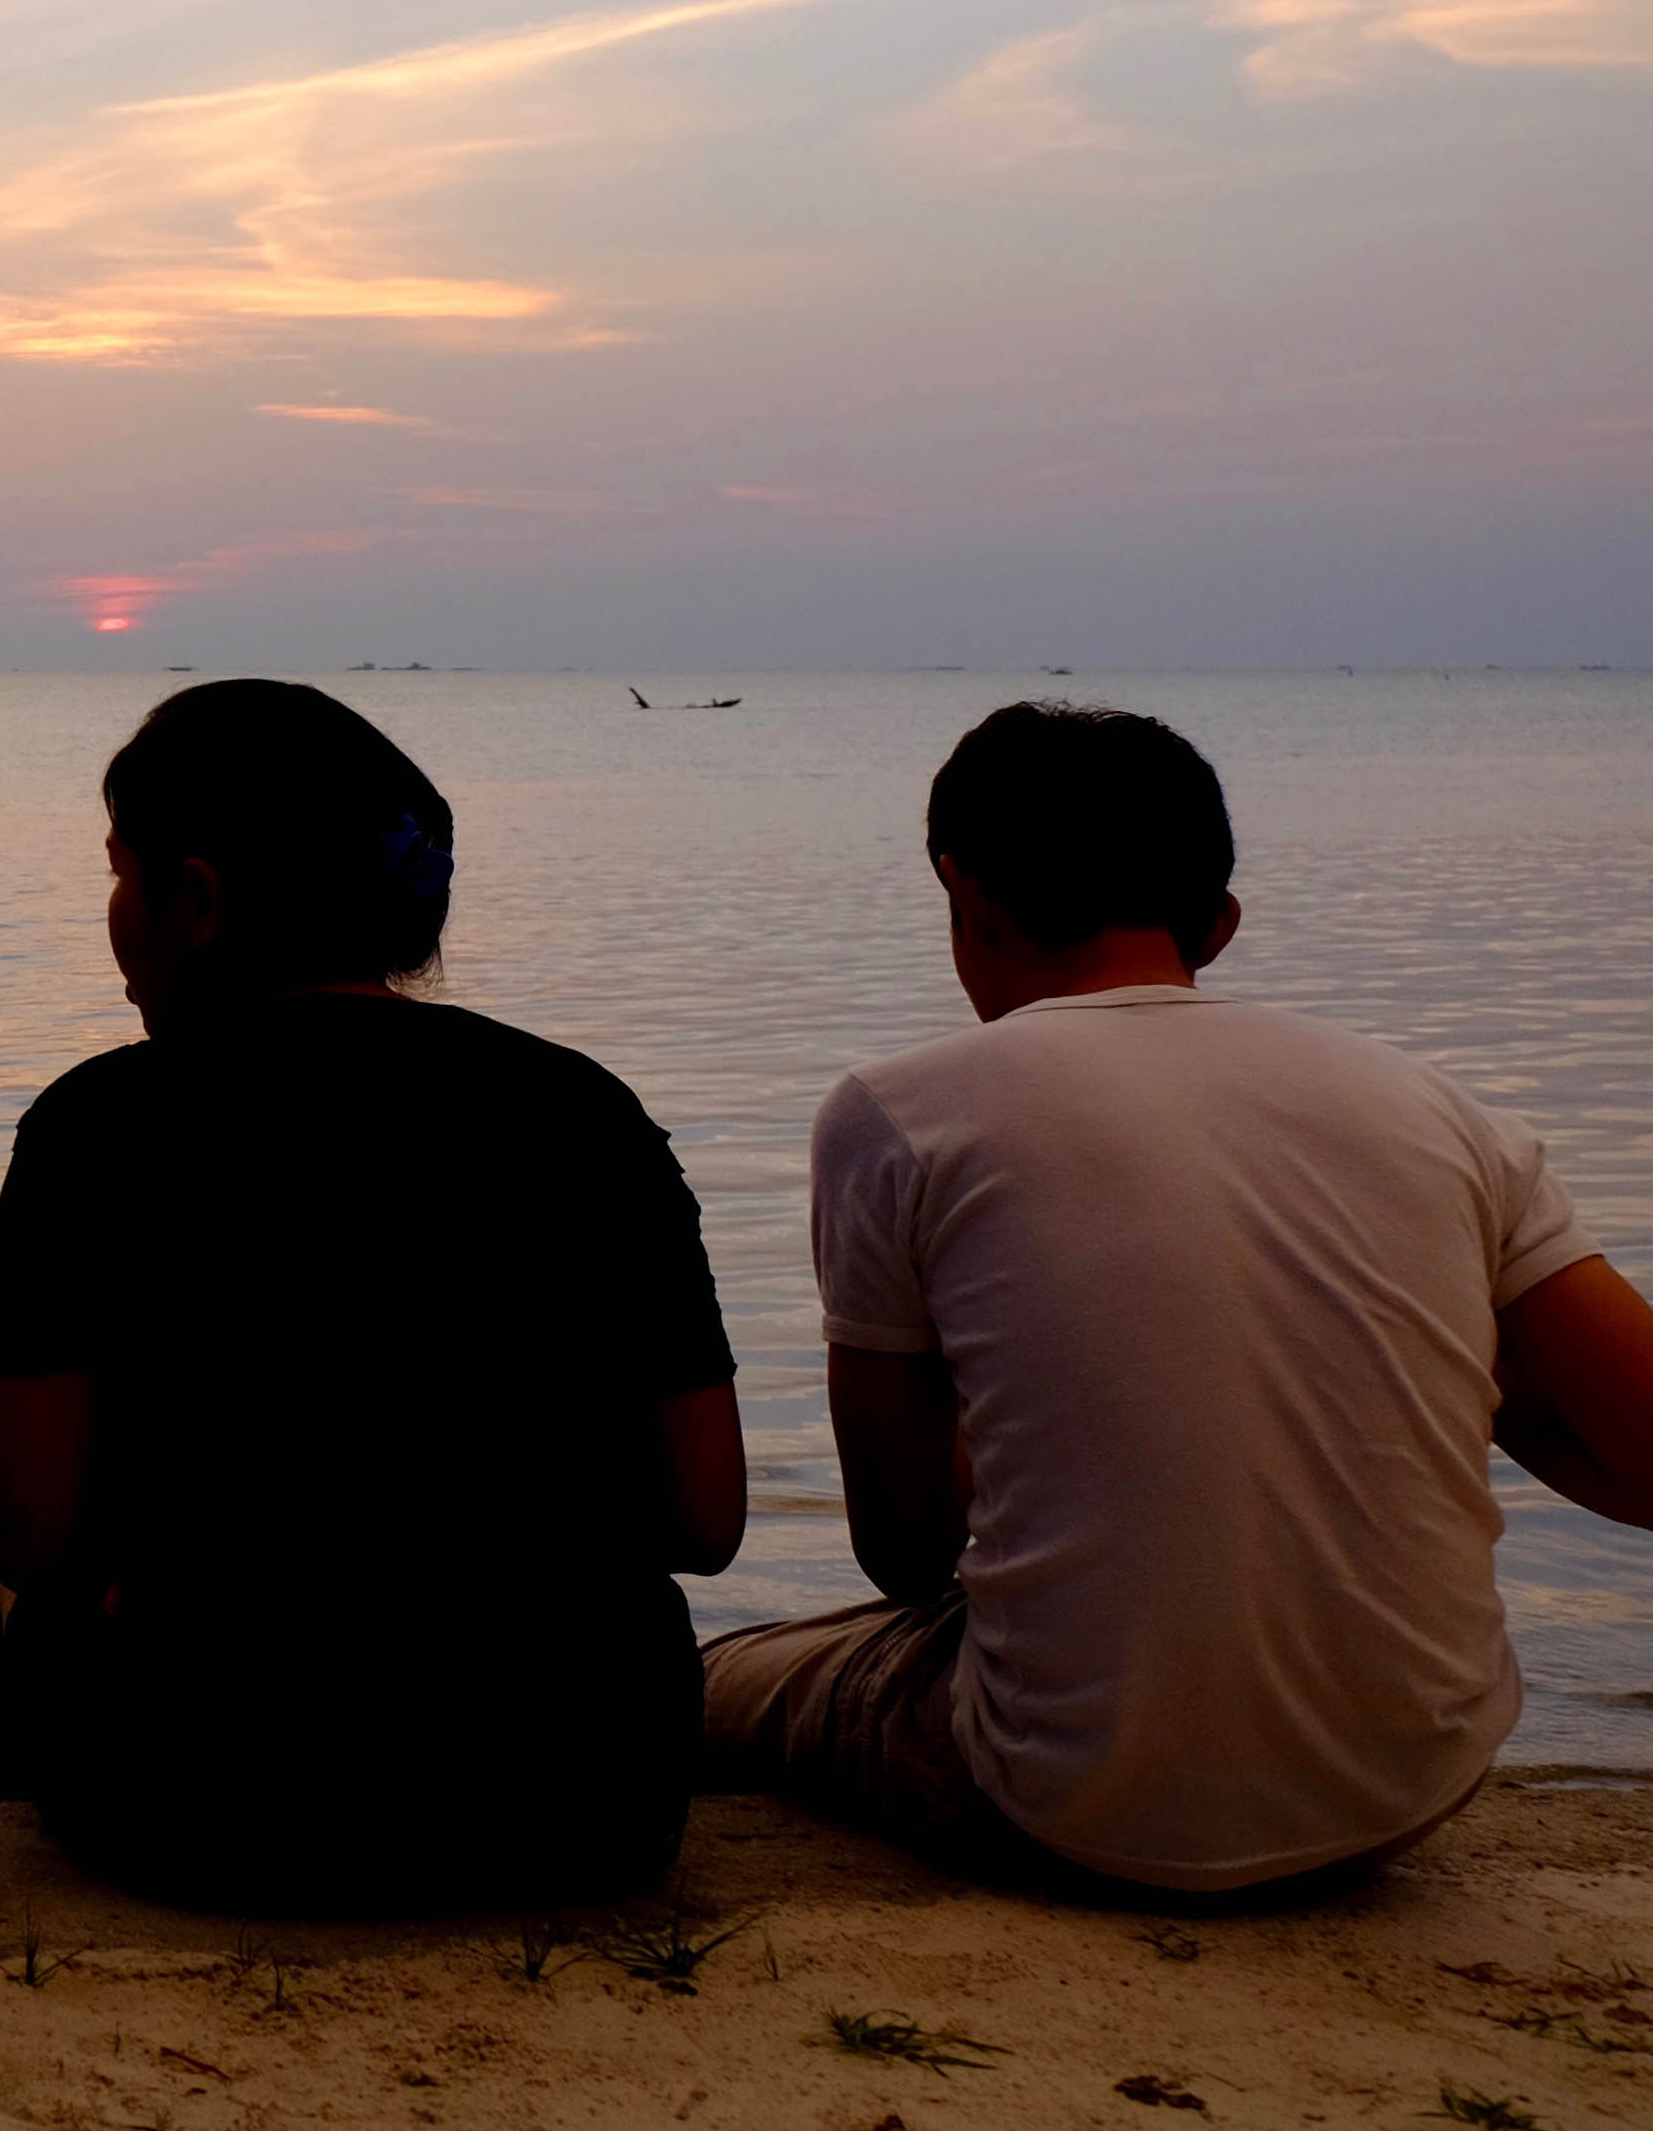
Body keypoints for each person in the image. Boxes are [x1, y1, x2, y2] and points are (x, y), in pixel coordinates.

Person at [704, 700, 1653, 1905]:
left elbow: (905, 1555)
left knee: (712, 1683)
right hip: (1409, 1789)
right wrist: (1458, 1371)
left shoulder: (900, 1115)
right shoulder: (1439, 1111)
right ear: (1219, 924)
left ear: (960, 890)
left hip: (1065, 1814)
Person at [0, 679, 745, 1914]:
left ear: (196, 898)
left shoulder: (94, 1128)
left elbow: (26, 1534)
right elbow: (705, 1520)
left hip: (211, 1813)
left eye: (118, 874)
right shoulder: (588, 1111)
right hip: (587, 1804)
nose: (114, 915)